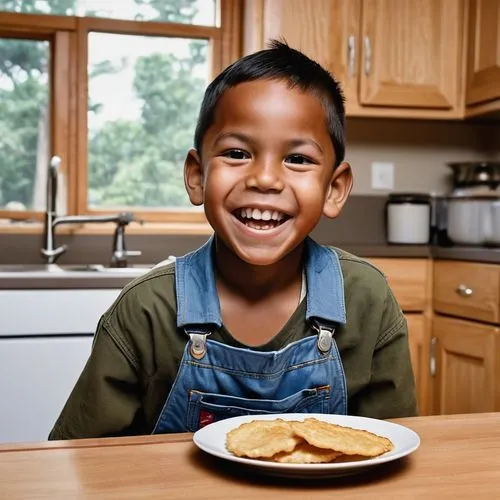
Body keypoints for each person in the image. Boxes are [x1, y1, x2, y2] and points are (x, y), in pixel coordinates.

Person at [49, 40, 417, 440]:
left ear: (334, 189)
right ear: (196, 176)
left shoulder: (367, 298)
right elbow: (78, 459)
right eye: (238, 153)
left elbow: (388, 448)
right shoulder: (146, 310)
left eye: (297, 159)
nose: (264, 179)